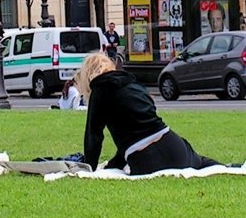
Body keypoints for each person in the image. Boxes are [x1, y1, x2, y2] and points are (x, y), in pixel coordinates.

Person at [76, 53, 221, 174]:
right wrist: (113, 164)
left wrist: (89, 167)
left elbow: (94, 136)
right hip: (172, 144)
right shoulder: (133, 84)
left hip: (145, 158)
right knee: (205, 164)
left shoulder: (99, 91)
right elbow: (138, 129)